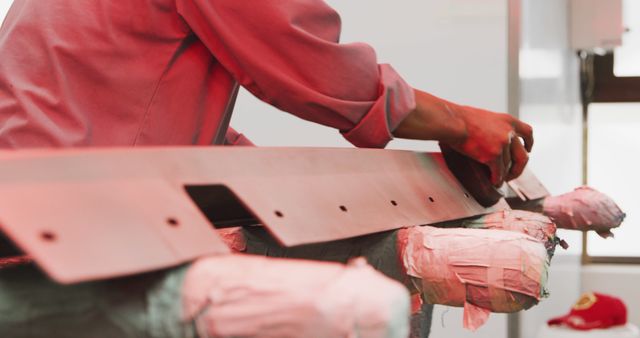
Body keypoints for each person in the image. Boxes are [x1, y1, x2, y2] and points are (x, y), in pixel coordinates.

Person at [0, 0, 532, 187]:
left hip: (31, 197)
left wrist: (262, 176)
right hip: (76, 215)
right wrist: (461, 124)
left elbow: (126, 96)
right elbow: (311, 65)